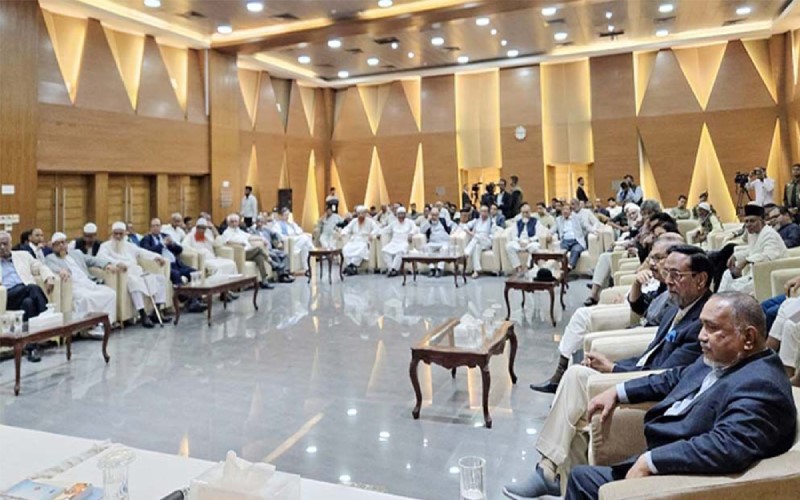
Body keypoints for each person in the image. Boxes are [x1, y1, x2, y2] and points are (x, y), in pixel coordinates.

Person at [503, 245, 713, 499]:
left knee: (576, 388)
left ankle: (548, 471)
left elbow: (665, 374)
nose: (667, 280)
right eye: (667, 272)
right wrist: (612, 364)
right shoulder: (676, 307)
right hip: (638, 373)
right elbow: (649, 354)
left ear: (700, 279)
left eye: (676, 275)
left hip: (651, 391)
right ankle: (556, 475)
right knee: (577, 404)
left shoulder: (704, 323)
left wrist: (614, 369)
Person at [566, 292, 796, 499]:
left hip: (683, 479)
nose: (701, 336)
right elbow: (675, 377)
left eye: (712, 328)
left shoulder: (762, 385)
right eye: (702, 325)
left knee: (583, 480)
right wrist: (617, 391)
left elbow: (726, 446)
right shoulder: (724, 357)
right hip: (661, 451)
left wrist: (651, 462)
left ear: (748, 338)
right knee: (581, 476)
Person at [531, 234, 684, 394]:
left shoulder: (676, 296)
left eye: (658, 258)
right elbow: (639, 307)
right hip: (638, 324)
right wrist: (636, 284)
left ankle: (562, 378)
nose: (652, 263)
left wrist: (614, 367)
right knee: (580, 348)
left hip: (644, 336)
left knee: (583, 324)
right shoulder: (662, 286)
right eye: (652, 258)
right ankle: (563, 379)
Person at [98, 221, 172, 329]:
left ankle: (157, 312)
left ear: (125, 234)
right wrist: (117, 263)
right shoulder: (105, 246)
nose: (118, 236)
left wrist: (156, 257)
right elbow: (101, 258)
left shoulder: (129, 245)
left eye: (120, 234)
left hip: (137, 272)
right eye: (116, 234)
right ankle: (143, 315)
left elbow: (142, 252)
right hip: (125, 274)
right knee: (133, 282)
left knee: (160, 279)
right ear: (112, 233)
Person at [45, 232, 117, 338]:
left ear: (66, 243)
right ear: (53, 247)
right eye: (57, 244)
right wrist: (60, 270)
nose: (61, 245)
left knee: (111, 293)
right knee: (86, 298)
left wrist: (107, 264)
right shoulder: (50, 258)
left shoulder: (76, 253)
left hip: (88, 283)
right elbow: (49, 266)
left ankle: (104, 324)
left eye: (63, 242)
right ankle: (90, 327)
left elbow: (92, 260)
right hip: (74, 286)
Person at [0, 231, 55, 362]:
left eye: (5, 244)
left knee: (28, 303)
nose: (2, 247)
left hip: (24, 295)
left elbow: (40, 266)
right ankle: (46, 313)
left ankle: (31, 348)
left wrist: (49, 277)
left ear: (11, 244)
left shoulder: (23, 256)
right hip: (7, 296)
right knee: (31, 287)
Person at [719, 204, 787, 295]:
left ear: (761, 221)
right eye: (746, 221)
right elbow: (752, 250)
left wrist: (746, 261)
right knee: (727, 274)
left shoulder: (769, 234)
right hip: (753, 273)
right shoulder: (753, 234)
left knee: (732, 290)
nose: (748, 225)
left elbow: (768, 256)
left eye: (752, 221)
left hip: (767, 274)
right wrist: (735, 256)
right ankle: (715, 300)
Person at [218, 214, 274, 289]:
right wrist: (239, 243)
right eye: (232, 222)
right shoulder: (227, 232)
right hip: (241, 253)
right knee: (258, 249)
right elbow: (227, 242)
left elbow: (250, 236)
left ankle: (264, 281)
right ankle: (269, 260)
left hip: (249, 252)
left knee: (259, 257)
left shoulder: (239, 231)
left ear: (238, 222)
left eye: (235, 221)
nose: (234, 223)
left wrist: (262, 239)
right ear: (228, 223)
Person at [505, 203, 548, 275]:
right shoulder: (518, 222)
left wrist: (530, 240)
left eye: (527, 212)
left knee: (535, 247)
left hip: (530, 242)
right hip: (519, 242)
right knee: (509, 246)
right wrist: (519, 241)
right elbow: (514, 235)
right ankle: (518, 267)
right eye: (523, 213)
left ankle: (527, 267)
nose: (525, 215)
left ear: (530, 212)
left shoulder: (535, 221)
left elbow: (538, 234)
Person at [250, 215, 293, 283]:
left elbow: (276, 234)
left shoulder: (267, 230)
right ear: (256, 222)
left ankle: (286, 273)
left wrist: (279, 241)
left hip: (271, 249)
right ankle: (282, 277)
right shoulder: (252, 230)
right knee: (274, 255)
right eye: (258, 222)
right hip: (264, 250)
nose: (260, 223)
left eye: (261, 222)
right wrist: (261, 239)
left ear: (263, 222)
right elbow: (250, 238)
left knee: (285, 254)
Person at [273, 208, 313, 277]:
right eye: (285, 215)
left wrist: (295, 230)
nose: (287, 217)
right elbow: (278, 235)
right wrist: (289, 236)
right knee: (305, 238)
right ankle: (313, 249)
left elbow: (300, 230)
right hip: (289, 241)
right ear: (281, 216)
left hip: (296, 239)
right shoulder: (278, 225)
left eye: (288, 215)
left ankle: (306, 268)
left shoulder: (291, 224)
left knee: (305, 247)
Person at [552, 204, 592, 271]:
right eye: (563, 210)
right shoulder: (558, 220)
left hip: (576, 241)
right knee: (561, 252)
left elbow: (586, 226)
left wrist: (594, 231)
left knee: (576, 250)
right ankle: (561, 268)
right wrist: (548, 234)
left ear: (570, 211)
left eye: (567, 209)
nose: (565, 211)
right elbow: (553, 229)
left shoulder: (577, 218)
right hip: (565, 241)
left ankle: (569, 267)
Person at [379, 207, 417, 277]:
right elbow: (385, 230)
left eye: (402, 214)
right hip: (394, 242)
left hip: (404, 243)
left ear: (405, 215)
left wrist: (411, 234)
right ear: (397, 215)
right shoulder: (394, 223)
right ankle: (391, 269)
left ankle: (394, 269)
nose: (401, 216)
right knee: (384, 251)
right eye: (399, 214)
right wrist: (377, 233)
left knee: (400, 252)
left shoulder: (409, 222)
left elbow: (415, 228)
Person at [341, 205, 377, 275]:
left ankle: (351, 266)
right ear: (357, 214)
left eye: (362, 214)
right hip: (354, 240)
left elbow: (376, 229)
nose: (360, 216)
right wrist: (343, 233)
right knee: (346, 249)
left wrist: (372, 234)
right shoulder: (354, 221)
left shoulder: (370, 221)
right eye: (359, 214)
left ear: (365, 214)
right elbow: (347, 228)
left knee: (361, 250)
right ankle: (351, 267)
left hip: (364, 240)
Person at [462, 205, 494, 279]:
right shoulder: (476, 221)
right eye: (482, 211)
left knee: (476, 238)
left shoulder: (491, 222)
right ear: (480, 212)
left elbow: (493, 235)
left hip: (487, 241)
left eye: (485, 211)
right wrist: (470, 233)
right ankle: (476, 271)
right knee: (476, 247)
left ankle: (466, 253)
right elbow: (465, 226)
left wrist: (480, 236)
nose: (484, 213)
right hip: (477, 242)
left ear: (488, 213)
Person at [420, 207, 452, 278]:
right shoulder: (428, 222)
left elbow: (451, 228)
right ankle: (432, 269)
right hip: (432, 243)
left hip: (443, 242)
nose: (434, 217)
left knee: (444, 249)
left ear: (439, 215)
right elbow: (422, 231)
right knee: (425, 248)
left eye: (436, 215)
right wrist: (428, 221)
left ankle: (440, 269)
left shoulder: (443, 220)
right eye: (433, 215)